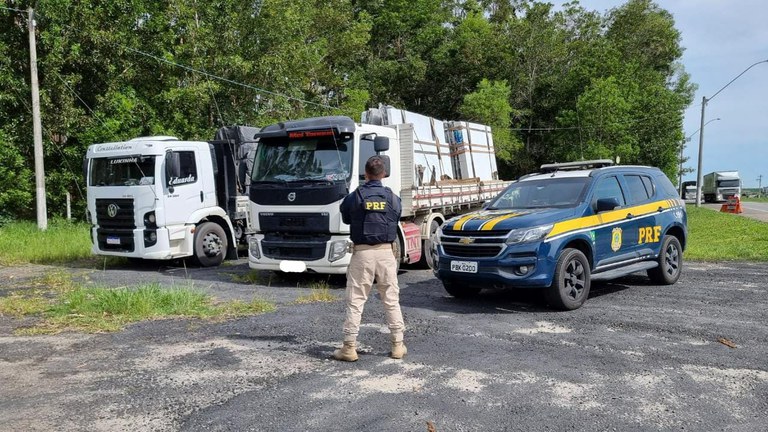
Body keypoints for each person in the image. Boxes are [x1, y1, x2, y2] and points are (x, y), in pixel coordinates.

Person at [333, 155, 406, 362]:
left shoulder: (355, 196)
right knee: (391, 300)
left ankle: (349, 348)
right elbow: (396, 216)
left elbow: (346, 217)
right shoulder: (392, 198)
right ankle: (397, 346)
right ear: (383, 174)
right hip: (386, 254)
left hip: (362, 254)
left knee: (355, 301)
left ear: (366, 174)